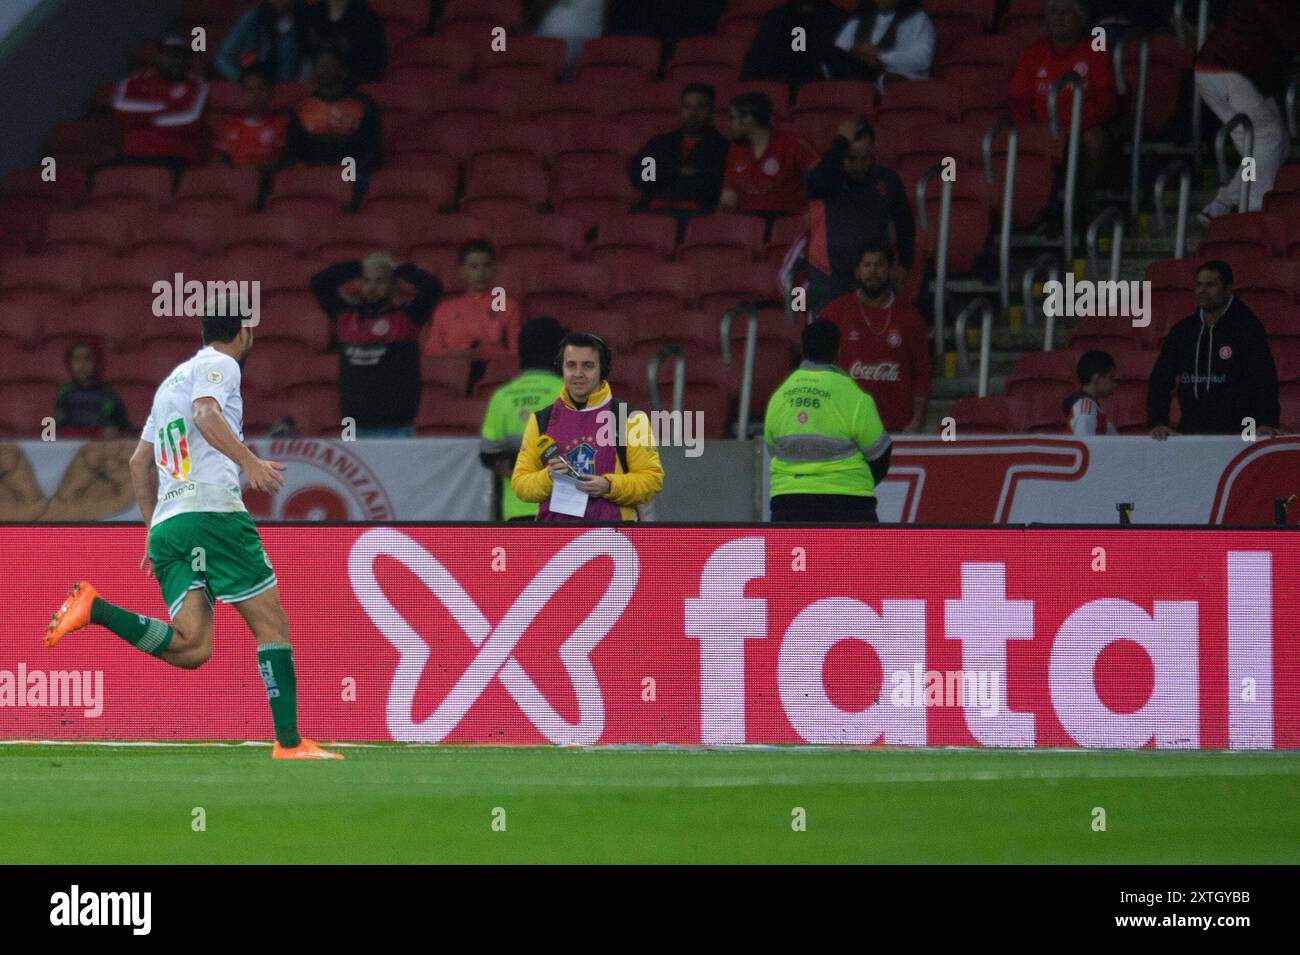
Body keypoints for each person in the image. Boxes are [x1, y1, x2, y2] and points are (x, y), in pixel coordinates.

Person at [42, 293, 342, 760]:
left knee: (192, 647)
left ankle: (95, 609)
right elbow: (206, 413)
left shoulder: (167, 386)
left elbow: (139, 460)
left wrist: (152, 529)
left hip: (170, 526)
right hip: (213, 514)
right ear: (242, 333)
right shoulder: (222, 366)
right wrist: (250, 462)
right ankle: (289, 743)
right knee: (272, 626)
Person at [512, 332, 665, 521]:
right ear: (561, 368)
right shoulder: (541, 420)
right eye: (571, 365)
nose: (578, 374)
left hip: (613, 538)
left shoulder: (630, 419)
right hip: (553, 538)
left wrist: (609, 486)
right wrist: (548, 478)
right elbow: (520, 484)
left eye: (588, 366)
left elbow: (651, 480)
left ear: (603, 369)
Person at [765, 319, 892, 522]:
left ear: (803, 350)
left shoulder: (779, 396)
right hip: (848, 505)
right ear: (838, 351)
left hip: (788, 504)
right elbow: (880, 455)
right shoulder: (854, 396)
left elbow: (773, 449)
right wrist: (854, 482)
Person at [310, 251, 442, 437]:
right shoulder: (345, 316)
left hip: (397, 425)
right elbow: (319, 283)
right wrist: (357, 267)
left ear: (393, 285)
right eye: (367, 280)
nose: (372, 287)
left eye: (380, 281)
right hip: (354, 425)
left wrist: (400, 269)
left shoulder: (408, 317)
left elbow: (433, 287)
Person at [1147, 260, 1281, 438]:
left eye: (1210, 285)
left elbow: (1264, 378)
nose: (1202, 290)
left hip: (1239, 436)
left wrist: (1266, 422)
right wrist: (1158, 422)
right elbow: (1161, 379)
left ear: (1228, 288)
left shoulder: (1247, 328)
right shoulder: (1183, 331)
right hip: (1191, 433)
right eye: (1199, 284)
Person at [1193, 0, 1300, 222]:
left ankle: (1221, 204)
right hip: (1230, 71)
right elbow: (1291, 36)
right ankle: (1253, 212)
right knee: (1270, 138)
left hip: (1219, 72)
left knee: (1258, 150)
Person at [804, 117, 914, 315]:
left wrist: (905, 264)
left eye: (865, 158)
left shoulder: (886, 178)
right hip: (830, 277)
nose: (859, 166)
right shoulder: (825, 175)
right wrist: (839, 143)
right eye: (852, 159)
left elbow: (904, 221)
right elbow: (816, 185)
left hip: (873, 275)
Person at [1008, 0, 1117, 198]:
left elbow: (1106, 101)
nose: (1058, 17)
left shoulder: (1096, 50)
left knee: (1095, 140)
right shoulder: (1032, 54)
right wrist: (1036, 130)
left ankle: (1082, 204)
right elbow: (1019, 102)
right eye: (1053, 12)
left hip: (1082, 127)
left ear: (1081, 18)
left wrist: (1072, 127)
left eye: (1066, 12)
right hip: (1043, 128)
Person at [817, 244, 930, 433]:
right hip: (846, 430)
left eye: (879, 265)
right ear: (857, 271)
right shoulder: (834, 312)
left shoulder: (910, 317)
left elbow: (922, 374)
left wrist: (916, 422)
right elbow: (819, 367)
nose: (872, 271)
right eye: (867, 265)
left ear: (889, 271)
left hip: (895, 429)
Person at [479, 317, 567, 521]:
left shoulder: (502, 396)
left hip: (516, 511)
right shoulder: (569, 393)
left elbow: (487, 454)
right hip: (561, 511)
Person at [627, 83, 731, 239]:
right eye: (687, 107)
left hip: (696, 215)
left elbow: (709, 184)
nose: (693, 113)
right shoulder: (659, 144)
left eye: (700, 107)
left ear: (711, 111)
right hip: (654, 210)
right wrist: (677, 172)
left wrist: (662, 177)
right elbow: (641, 175)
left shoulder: (722, 148)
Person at [111, 34, 210, 174]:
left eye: (180, 55)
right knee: (99, 175)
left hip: (175, 159)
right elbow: (120, 108)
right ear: (158, 56)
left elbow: (190, 119)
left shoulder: (198, 86)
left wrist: (140, 120)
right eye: (169, 54)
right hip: (133, 155)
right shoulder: (136, 81)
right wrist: (166, 108)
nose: (175, 60)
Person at [718, 92, 818, 225]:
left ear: (748, 119)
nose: (728, 124)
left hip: (787, 221)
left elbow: (821, 176)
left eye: (732, 118)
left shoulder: (791, 142)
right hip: (748, 225)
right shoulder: (735, 149)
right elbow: (728, 197)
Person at [284, 47, 382, 174]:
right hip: (312, 175)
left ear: (343, 71)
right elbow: (294, 152)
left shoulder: (363, 105)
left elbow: (371, 151)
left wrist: (348, 174)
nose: (324, 70)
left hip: (353, 174)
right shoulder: (301, 108)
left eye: (329, 65)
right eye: (320, 65)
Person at [422, 239, 521, 359]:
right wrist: (457, 355)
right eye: (474, 267)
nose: (481, 272)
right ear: (462, 271)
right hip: (451, 373)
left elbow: (517, 355)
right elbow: (430, 353)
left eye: (487, 265)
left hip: (494, 375)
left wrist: (482, 355)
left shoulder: (509, 306)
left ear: (494, 269)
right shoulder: (444, 310)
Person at [740, 0, 850, 88]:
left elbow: (845, 75)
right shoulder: (775, 18)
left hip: (821, 97)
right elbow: (752, 68)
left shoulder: (840, 20)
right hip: (776, 96)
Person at [828, 0, 936, 83]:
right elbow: (839, 49)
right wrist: (860, 53)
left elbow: (923, 59)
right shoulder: (859, 18)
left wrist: (880, 56)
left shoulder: (917, 19)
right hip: (857, 81)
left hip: (899, 83)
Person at [215, 0, 311, 82]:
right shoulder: (252, 19)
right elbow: (223, 59)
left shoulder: (305, 21)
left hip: (290, 91)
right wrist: (244, 81)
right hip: (256, 93)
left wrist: (300, 84)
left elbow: (309, 60)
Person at [213, 64, 288, 169]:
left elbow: (280, 161)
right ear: (242, 94)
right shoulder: (229, 125)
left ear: (271, 92)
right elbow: (218, 159)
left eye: (261, 88)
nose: (256, 94)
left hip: (264, 180)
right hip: (233, 180)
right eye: (250, 89)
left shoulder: (280, 125)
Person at [54, 340, 130, 440]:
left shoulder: (109, 394)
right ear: (69, 363)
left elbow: (123, 426)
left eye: (87, 359)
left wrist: (115, 431)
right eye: (77, 359)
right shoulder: (64, 393)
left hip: (102, 447)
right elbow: (59, 427)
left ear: (96, 363)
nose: (82, 364)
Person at [303, 0, 387, 85]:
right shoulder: (310, 15)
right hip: (312, 86)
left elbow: (376, 65)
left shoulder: (368, 20)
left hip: (353, 87)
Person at [1064, 350, 1117, 435]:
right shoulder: (1085, 411)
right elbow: (1085, 445)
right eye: (1111, 378)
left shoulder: (1096, 411)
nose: (1115, 384)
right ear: (1097, 379)